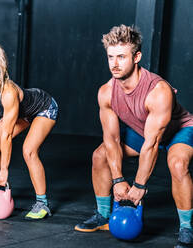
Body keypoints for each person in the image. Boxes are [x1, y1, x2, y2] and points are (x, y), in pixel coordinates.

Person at [74, 24, 193, 247]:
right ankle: (103, 215)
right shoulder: (106, 92)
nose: (115, 64)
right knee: (100, 156)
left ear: (136, 56)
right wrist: (118, 180)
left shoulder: (158, 92)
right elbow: (112, 139)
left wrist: (139, 186)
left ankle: (187, 228)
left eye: (121, 57)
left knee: (177, 164)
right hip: (142, 130)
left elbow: (153, 143)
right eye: (111, 57)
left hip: (180, 130)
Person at [0, 41, 58, 220]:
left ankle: (42, 203)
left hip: (43, 107)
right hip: (22, 114)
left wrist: (4, 170)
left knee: (29, 151)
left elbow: (7, 135)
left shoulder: (7, 92)